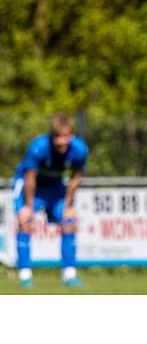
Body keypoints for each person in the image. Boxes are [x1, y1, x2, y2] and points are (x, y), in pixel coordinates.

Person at [12, 113, 88, 289]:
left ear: (72, 135)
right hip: (32, 187)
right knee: (25, 222)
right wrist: (28, 208)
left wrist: (68, 205)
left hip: (55, 187)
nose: (61, 141)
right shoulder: (38, 147)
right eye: (57, 137)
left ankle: (69, 276)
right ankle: (25, 277)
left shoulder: (79, 150)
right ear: (51, 136)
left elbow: (76, 178)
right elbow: (29, 178)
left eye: (65, 137)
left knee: (69, 221)